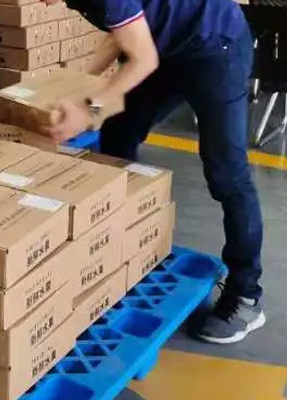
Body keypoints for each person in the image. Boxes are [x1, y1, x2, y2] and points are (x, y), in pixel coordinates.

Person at [42, 0, 265, 344]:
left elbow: (142, 58)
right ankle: (121, 252)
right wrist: (78, 85)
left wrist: (88, 110)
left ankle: (246, 294)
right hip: (165, 48)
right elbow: (121, 32)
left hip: (214, 46)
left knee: (227, 174)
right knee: (117, 135)